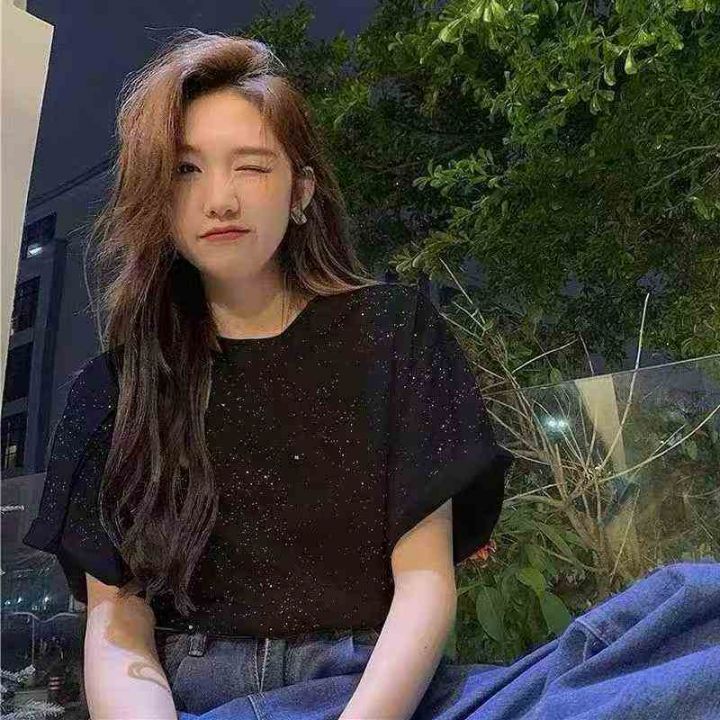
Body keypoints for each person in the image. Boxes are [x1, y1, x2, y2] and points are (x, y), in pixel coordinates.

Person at [22, 30, 719, 720]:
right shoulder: (115, 390)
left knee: (692, 624)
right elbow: (118, 624)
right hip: (197, 700)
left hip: (380, 690)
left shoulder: (394, 333)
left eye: (252, 167)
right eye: (185, 170)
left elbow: (424, 584)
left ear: (300, 191)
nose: (220, 199)